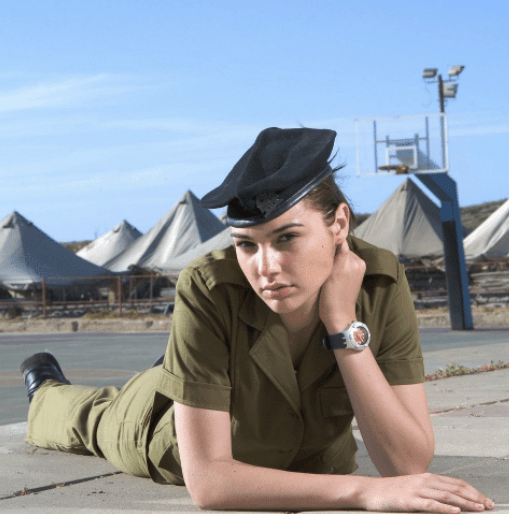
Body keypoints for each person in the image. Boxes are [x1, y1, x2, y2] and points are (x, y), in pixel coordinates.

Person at [21, 127, 494, 513]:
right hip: (158, 428)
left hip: (302, 457)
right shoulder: (210, 286)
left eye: (286, 238)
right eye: (247, 244)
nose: (264, 267)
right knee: (88, 416)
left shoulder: (381, 281)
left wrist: (341, 323)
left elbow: (407, 462)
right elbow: (209, 484)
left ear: (340, 224)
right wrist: (363, 492)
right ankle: (45, 387)